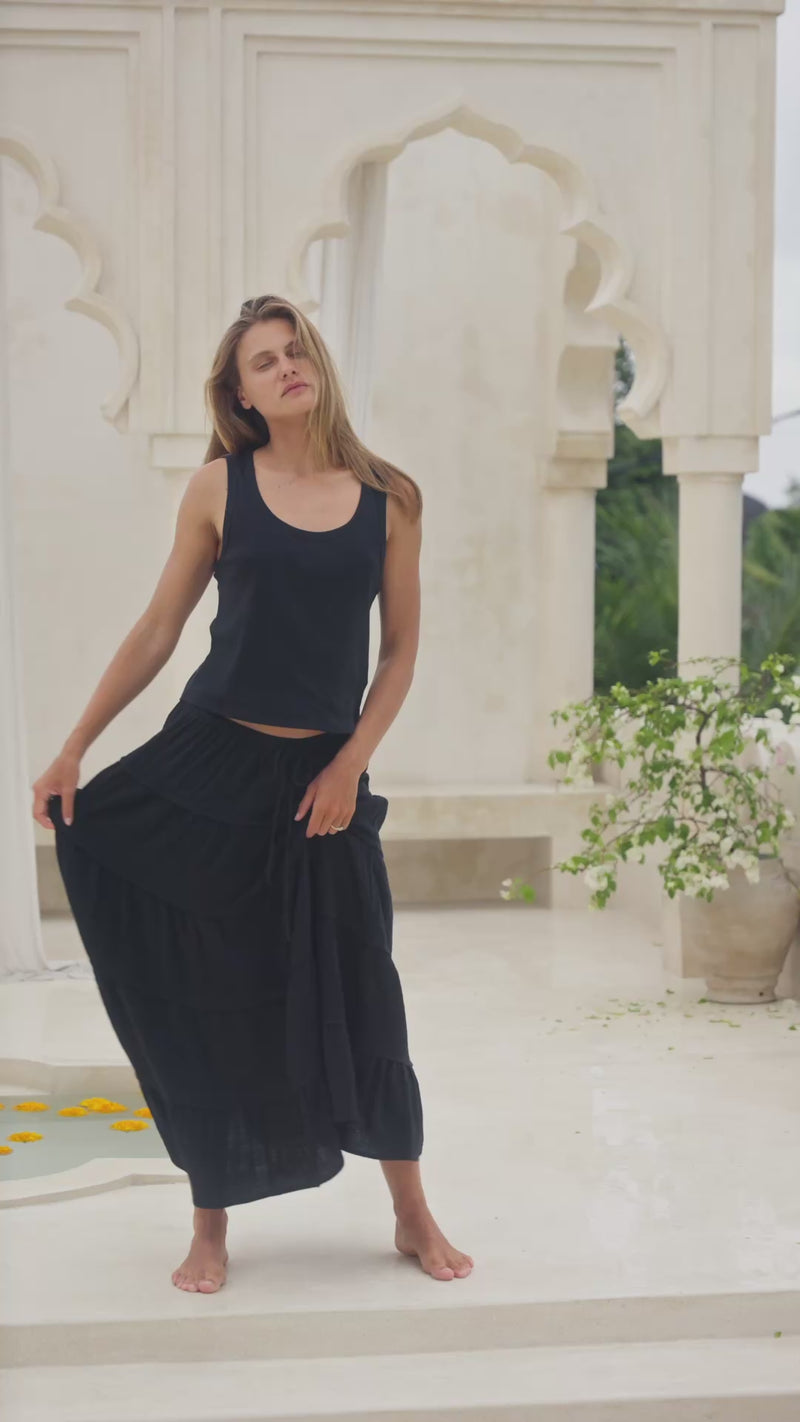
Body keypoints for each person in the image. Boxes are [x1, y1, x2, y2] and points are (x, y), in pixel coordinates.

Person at [32, 293, 474, 1294]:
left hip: (323, 775)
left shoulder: (388, 495)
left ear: (313, 363)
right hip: (208, 761)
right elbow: (157, 633)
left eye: (292, 352)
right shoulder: (217, 489)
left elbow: (399, 650)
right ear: (239, 393)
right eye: (261, 362)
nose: (283, 369)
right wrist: (73, 748)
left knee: (366, 981)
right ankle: (210, 1225)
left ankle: (410, 1213)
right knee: (214, 985)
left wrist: (349, 763)